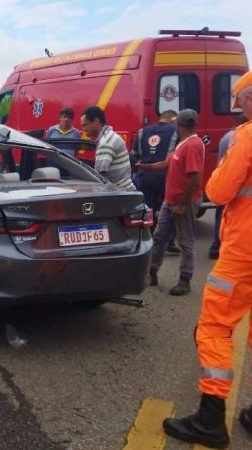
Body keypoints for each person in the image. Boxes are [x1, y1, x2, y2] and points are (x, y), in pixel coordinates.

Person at [162, 70, 252, 449]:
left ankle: (211, 420)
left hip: (244, 249)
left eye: (240, 100)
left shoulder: (247, 137)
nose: (238, 108)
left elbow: (218, 188)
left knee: (214, 327)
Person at [136, 109, 204, 296]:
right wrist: (145, 166)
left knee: (186, 241)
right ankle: (152, 272)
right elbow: (167, 163)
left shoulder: (193, 145)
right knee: (159, 237)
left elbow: (194, 178)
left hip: (184, 202)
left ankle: (185, 280)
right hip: (170, 200)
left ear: (178, 125)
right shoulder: (182, 144)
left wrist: (182, 204)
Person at [131, 110, 181, 254]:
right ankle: (169, 242)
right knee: (168, 210)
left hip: (145, 175)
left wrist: (137, 172)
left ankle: (148, 242)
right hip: (166, 176)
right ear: (173, 119)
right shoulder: (175, 131)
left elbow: (134, 155)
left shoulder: (142, 131)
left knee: (148, 210)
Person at [208, 112, 248, 259]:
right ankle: (218, 247)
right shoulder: (239, 137)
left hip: (224, 183)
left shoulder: (227, 137)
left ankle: (216, 246)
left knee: (220, 216)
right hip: (233, 187)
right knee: (226, 219)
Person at [80, 106, 135, 189]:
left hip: (120, 195)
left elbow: (98, 177)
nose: (83, 129)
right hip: (125, 191)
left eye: (85, 124)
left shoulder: (105, 142)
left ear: (96, 121)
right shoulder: (110, 136)